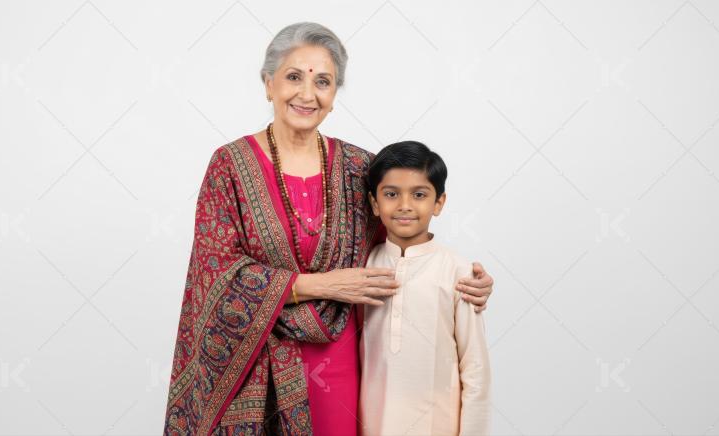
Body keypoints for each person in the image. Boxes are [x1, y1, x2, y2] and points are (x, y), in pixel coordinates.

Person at [163, 22, 494, 435]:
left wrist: (467, 282)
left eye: (323, 81)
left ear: (335, 95)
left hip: (339, 362)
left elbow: (402, 247)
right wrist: (319, 285)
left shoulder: (360, 168)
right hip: (252, 364)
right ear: (268, 83)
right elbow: (214, 274)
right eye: (294, 77)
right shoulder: (229, 165)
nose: (308, 93)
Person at [359, 141, 491, 435]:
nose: (405, 205)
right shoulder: (363, 267)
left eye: (419, 195)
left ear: (439, 203)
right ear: (374, 203)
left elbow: (476, 368)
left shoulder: (459, 272)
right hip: (372, 424)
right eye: (391, 194)